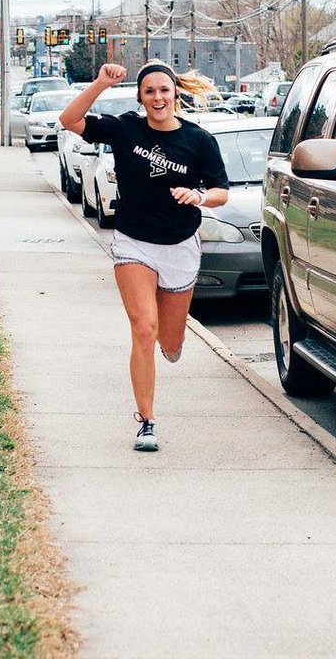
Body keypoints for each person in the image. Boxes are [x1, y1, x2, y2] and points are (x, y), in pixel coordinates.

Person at [58, 60, 229, 452]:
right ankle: (147, 422)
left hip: (180, 246)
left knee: (169, 342)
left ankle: (173, 342)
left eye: (164, 90)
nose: (157, 98)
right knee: (143, 330)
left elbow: (222, 191)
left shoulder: (198, 141)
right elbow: (70, 119)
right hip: (133, 242)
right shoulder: (125, 129)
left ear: (175, 94)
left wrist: (199, 196)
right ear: (140, 97)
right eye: (149, 91)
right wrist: (100, 83)